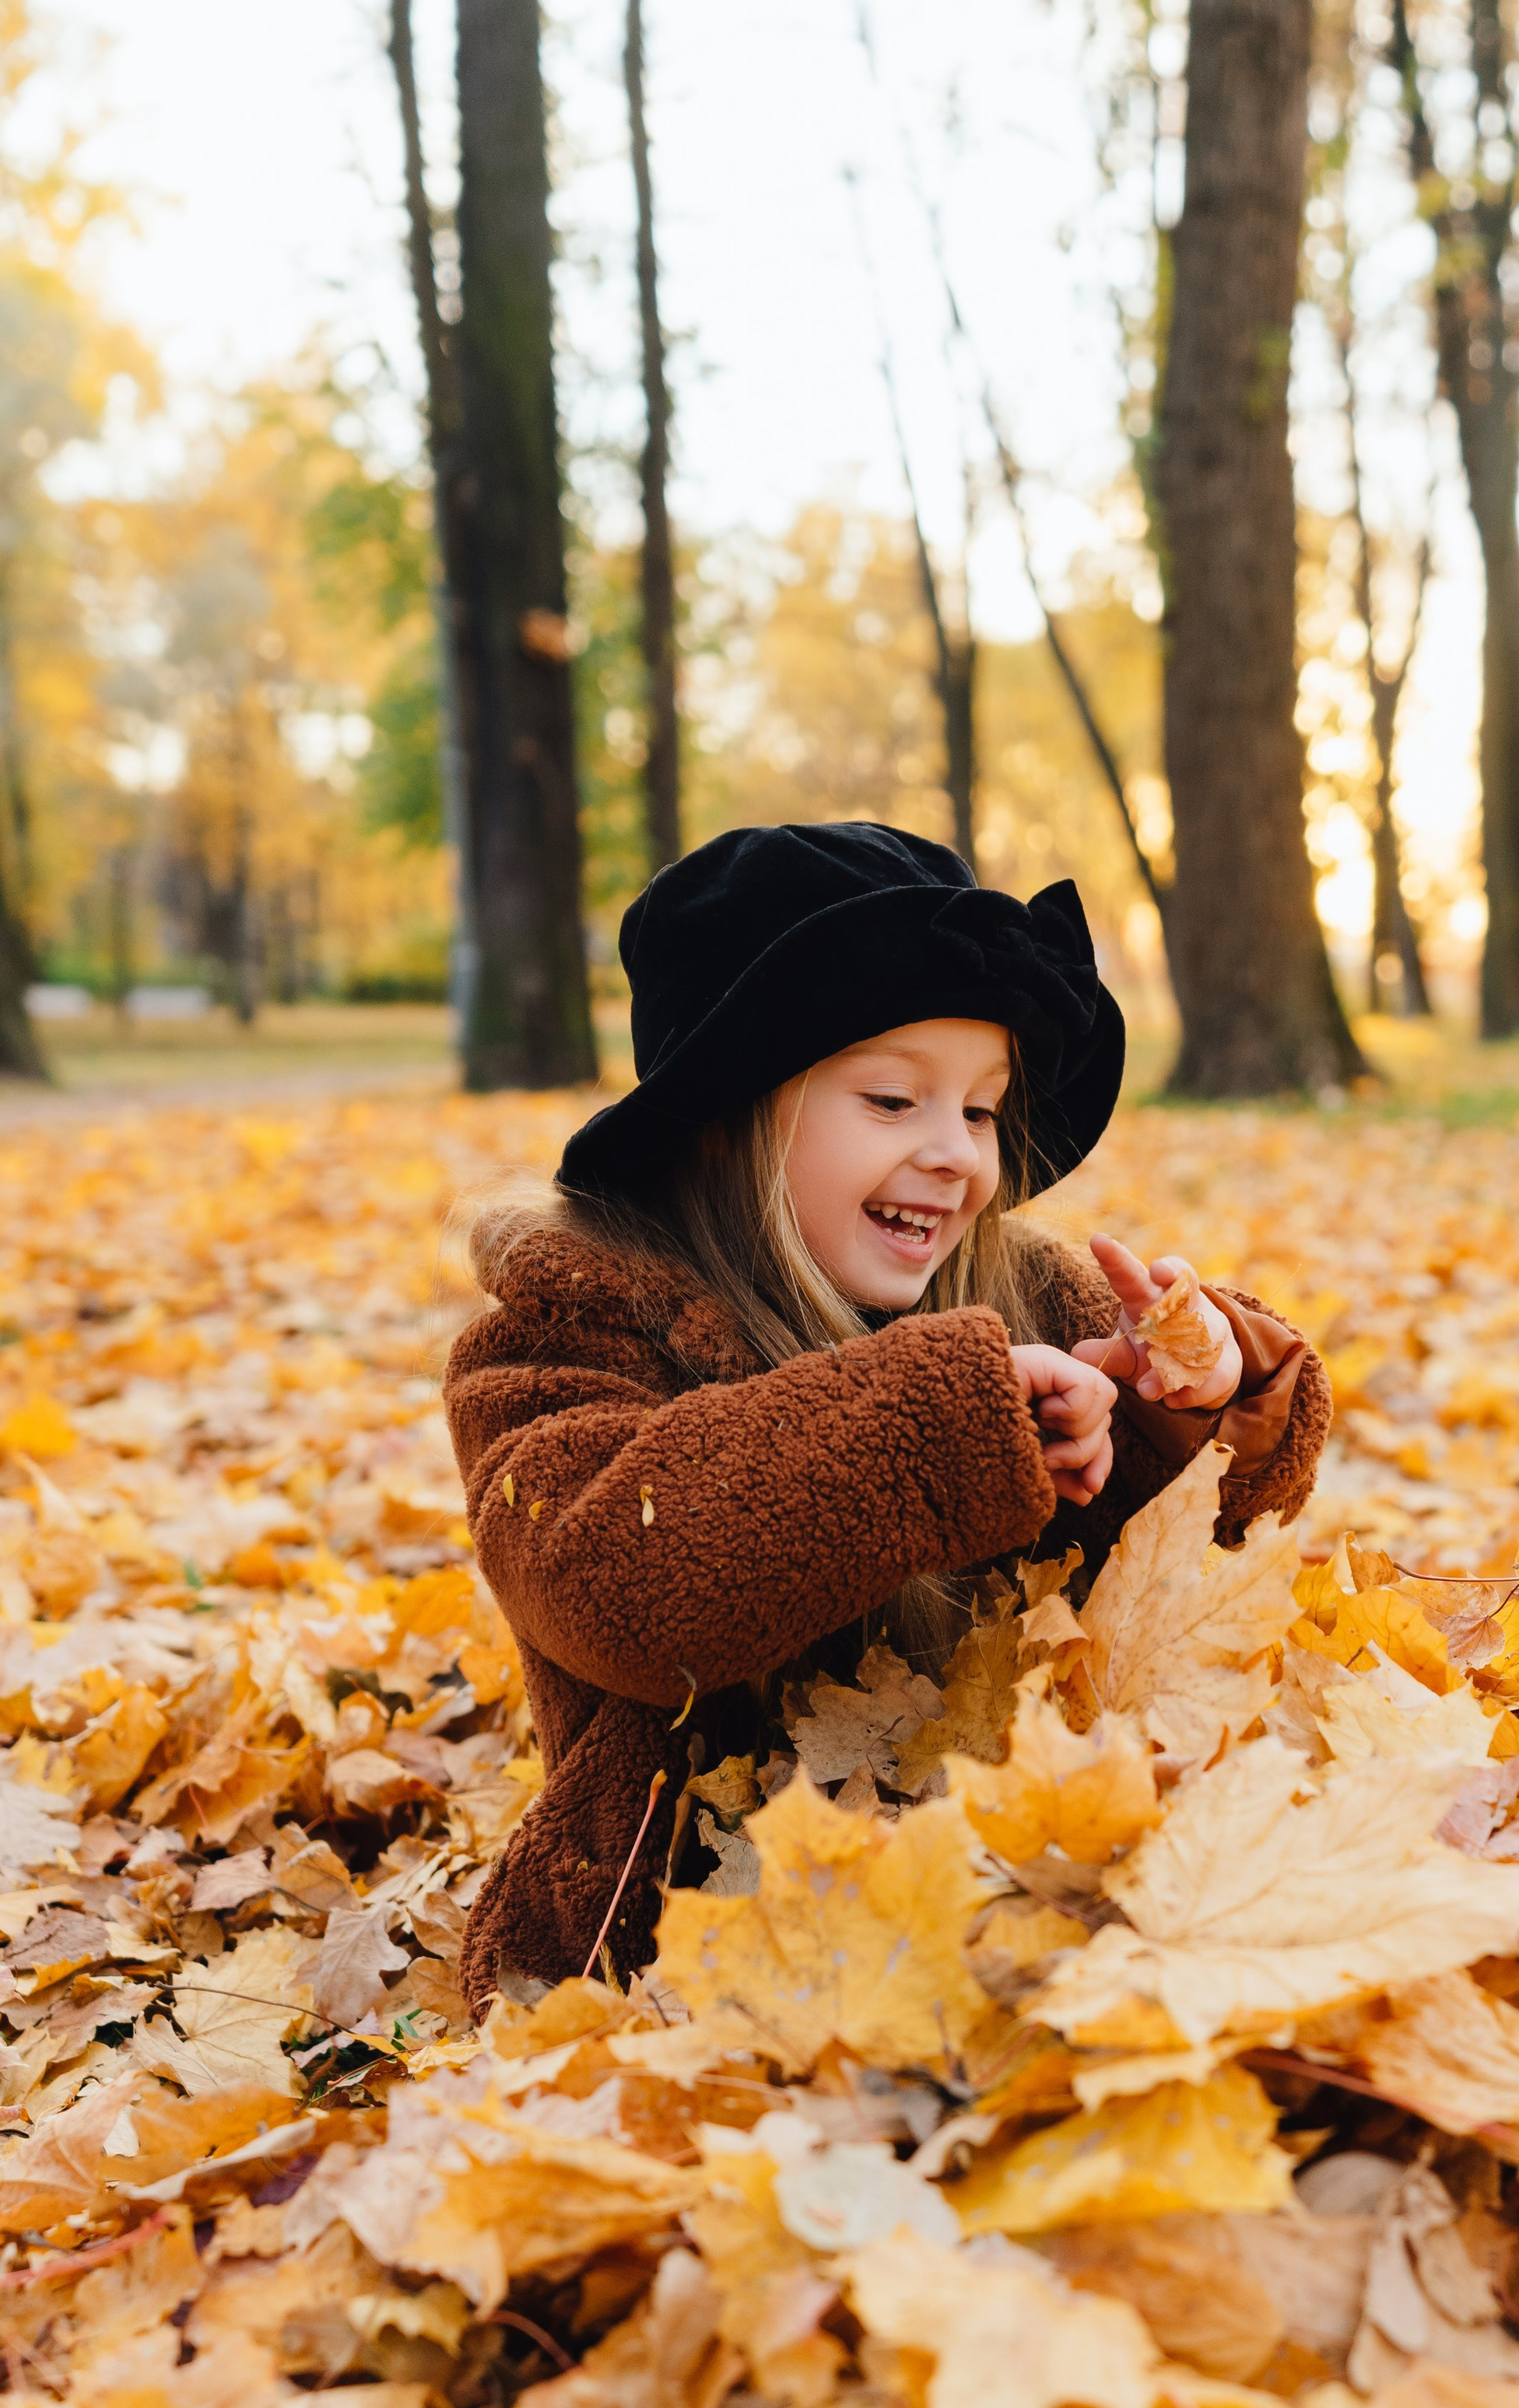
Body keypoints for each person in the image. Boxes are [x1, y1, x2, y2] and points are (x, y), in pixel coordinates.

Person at [444, 822, 1331, 2015]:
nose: (953, 1155)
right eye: (894, 1098)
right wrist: (945, 1422)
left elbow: (1175, 1579)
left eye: (981, 1111)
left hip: (1003, 1866)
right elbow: (621, 1588)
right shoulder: (563, 1335)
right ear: (732, 1113)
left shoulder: (1025, 1289)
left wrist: (1193, 1406)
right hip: (686, 1944)